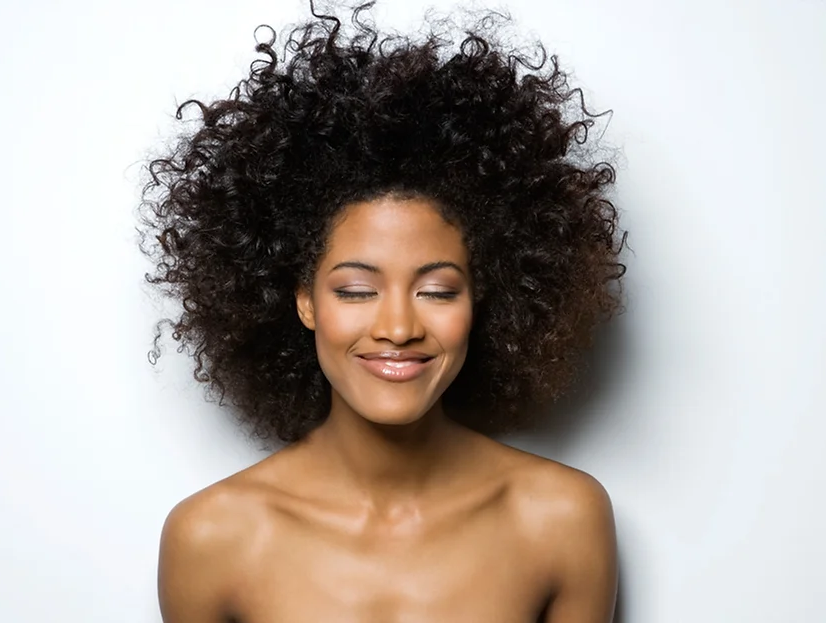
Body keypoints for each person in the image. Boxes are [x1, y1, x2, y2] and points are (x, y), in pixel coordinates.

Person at [139, 2, 628, 621]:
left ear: (484, 299)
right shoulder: (212, 538)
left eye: (438, 290)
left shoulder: (560, 519)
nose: (398, 328)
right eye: (355, 290)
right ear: (304, 301)